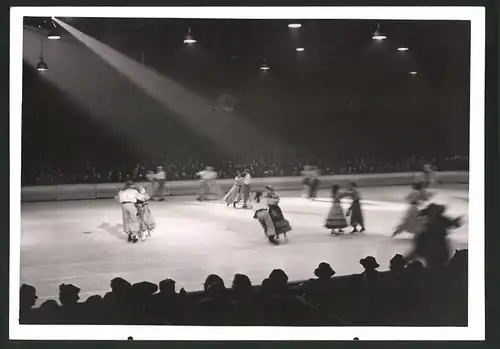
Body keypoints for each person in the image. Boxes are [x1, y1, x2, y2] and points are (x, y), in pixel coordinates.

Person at [407, 203, 463, 268]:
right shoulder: (430, 220)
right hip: (432, 241)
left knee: (438, 259)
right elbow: (452, 224)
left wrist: (456, 222)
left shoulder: (439, 219)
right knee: (432, 259)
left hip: (437, 241)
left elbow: (452, 224)